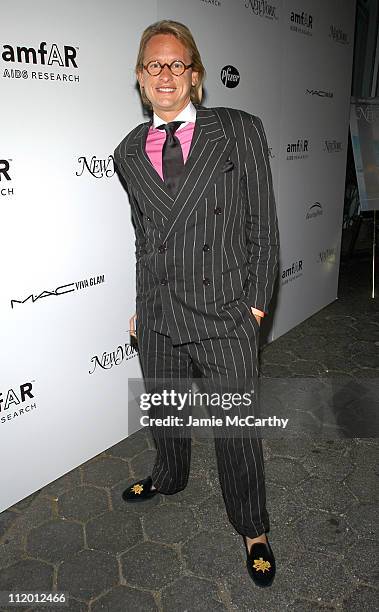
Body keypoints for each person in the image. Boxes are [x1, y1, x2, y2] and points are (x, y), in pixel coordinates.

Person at [114, 19, 279, 588]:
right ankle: (169, 476)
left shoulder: (238, 131)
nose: (165, 74)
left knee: (236, 429)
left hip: (223, 312)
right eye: (154, 65)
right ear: (140, 78)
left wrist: (255, 307)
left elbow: (264, 227)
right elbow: (144, 237)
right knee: (165, 410)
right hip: (159, 314)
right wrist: (142, 301)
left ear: (196, 76)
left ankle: (252, 527)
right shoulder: (127, 151)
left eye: (176, 64)